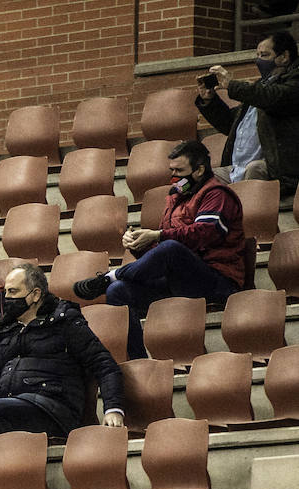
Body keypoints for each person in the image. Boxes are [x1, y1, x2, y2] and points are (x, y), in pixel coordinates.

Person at [0, 263, 125, 489]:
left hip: (53, 408)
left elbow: (104, 365)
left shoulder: (65, 320)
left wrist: (113, 409)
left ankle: (15, 485)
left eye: (13, 292)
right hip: (9, 407)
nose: (7, 298)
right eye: (6, 292)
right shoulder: (5, 328)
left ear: (35, 294)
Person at [72, 139, 245, 360]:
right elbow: (161, 251)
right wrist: (139, 243)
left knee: (171, 247)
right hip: (178, 280)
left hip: (216, 280)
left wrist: (158, 236)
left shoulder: (217, 194)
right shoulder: (175, 197)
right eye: (171, 170)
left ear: (200, 169)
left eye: (180, 171)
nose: (174, 177)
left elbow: (204, 233)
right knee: (117, 291)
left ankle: (111, 276)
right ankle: (139, 361)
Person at [196, 31, 299, 195]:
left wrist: (231, 84)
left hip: (275, 170)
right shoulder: (259, 89)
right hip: (236, 169)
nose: (258, 60)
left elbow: (273, 98)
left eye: (264, 55)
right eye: (257, 55)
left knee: (254, 168)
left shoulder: (292, 83)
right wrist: (210, 100)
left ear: (284, 57)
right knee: (196, 177)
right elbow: (230, 123)